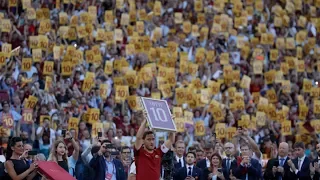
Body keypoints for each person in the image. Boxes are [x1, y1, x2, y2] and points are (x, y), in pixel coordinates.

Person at [134, 111, 175, 180]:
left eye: (153, 139)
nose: (152, 142)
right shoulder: (139, 152)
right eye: (149, 139)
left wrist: (172, 123)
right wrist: (145, 120)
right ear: (143, 141)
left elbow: (171, 140)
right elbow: (138, 137)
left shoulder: (159, 152)